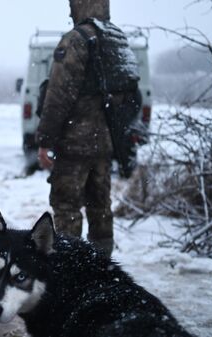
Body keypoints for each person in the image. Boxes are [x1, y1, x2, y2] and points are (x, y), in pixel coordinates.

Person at [36, 0, 139, 257]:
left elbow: (57, 96)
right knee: (100, 207)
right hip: (105, 145)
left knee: (67, 207)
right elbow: (132, 96)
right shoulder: (116, 39)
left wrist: (45, 140)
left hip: (74, 144)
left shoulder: (76, 40)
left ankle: (72, 271)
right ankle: (103, 269)